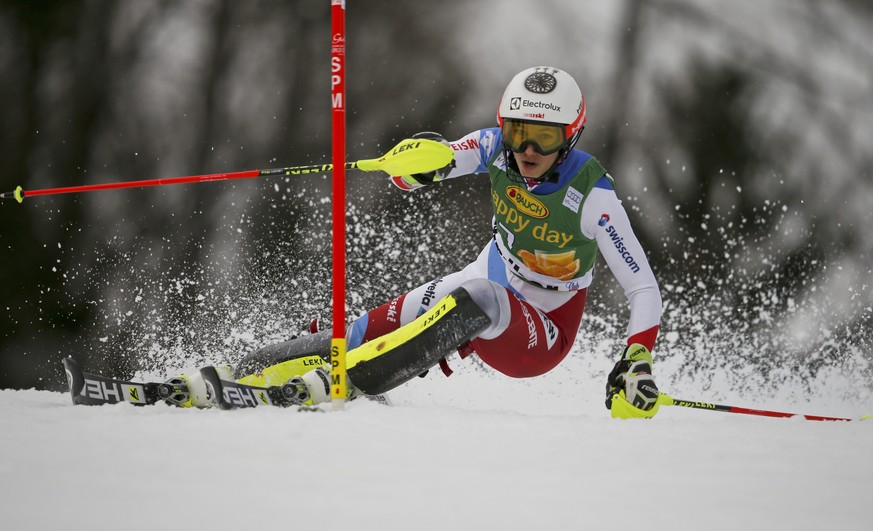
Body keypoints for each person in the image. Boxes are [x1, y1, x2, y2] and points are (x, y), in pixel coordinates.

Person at [185, 66, 664, 418]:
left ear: (571, 136)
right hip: (492, 272)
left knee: (479, 297)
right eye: (519, 133)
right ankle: (237, 373)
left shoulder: (594, 195)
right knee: (357, 332)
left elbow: (643, 288)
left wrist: (636, 361)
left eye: (545, 137)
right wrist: (416, 167)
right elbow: (428, 168)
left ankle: (351, 381)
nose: (528, 151)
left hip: (543, 327)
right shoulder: (494, 147)